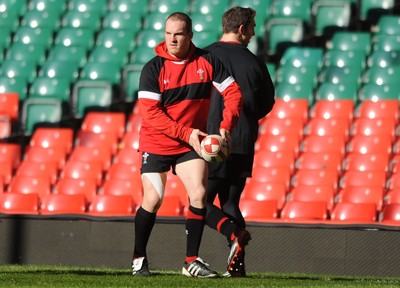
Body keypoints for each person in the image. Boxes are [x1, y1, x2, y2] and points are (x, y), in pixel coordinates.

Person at [131, 12, 244, 278]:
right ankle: (138, 258)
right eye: (168, 33)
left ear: (190, 35)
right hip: (157, 141)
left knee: (200, 194)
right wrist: (188, 133)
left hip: (189, 142)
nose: (172, 39)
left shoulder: (207, 60)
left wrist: (226, 128)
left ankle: (190, 261)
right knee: (153, 199)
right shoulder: (153, 68)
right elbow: (151, 114)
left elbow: (234, 93)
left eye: (178, 34)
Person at [204, 7, 275, 277]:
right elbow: (266, 103)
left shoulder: (204, 56)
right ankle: (237, 268)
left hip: (211, 139)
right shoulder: (255, 62)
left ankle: (233, 235)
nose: (255, 32)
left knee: (199, 202)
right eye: (253, 26)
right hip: (242, 140)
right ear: (242, 28)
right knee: (231, 202)